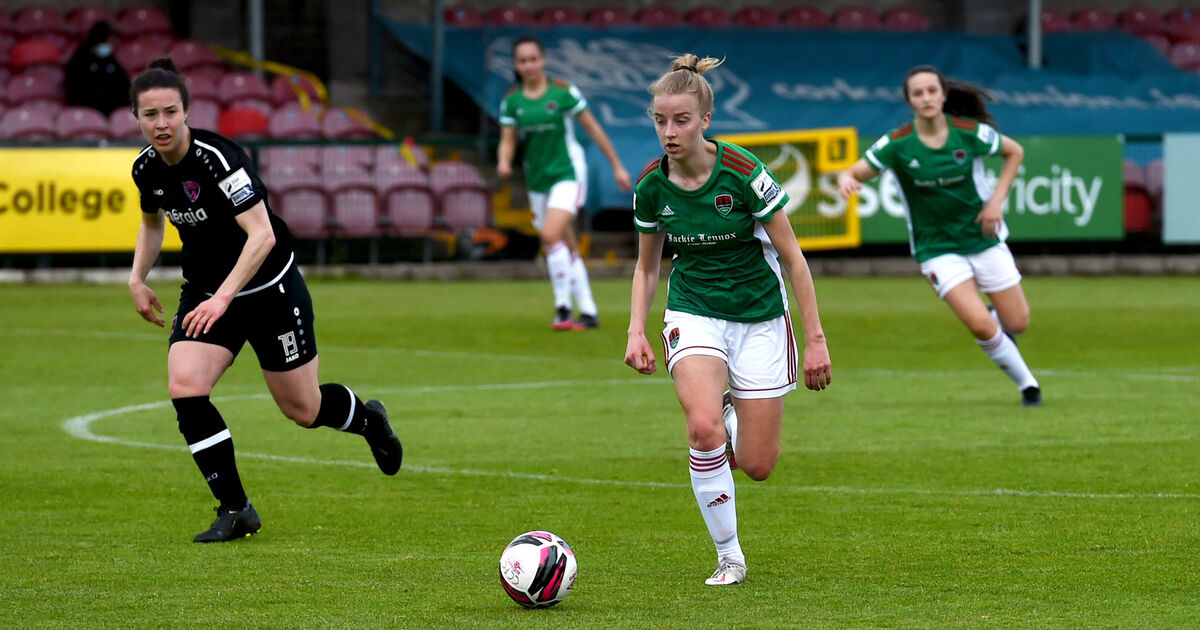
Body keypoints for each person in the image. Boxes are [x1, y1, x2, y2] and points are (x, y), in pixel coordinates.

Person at [126, 58, 404, 543]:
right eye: (151, 115)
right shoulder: (146, 168)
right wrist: (137, 278)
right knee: (185, 386)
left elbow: (262, 236)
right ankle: (236, 509)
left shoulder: (220, 158)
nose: (162, 123)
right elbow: (152, 224)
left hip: (270, 290)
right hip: (209, 292)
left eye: (170, 111)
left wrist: (224, 298)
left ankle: (368, 419)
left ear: (187, 112)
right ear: (137, 118)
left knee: (303, 409)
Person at [624, 54, 832, 586]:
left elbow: (793, 258)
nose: (668, 132)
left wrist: (815, 340)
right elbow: (648, 266)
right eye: (660, 121)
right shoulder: (652, 185)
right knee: (701, 429)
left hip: (761, 316)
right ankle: (729, 555)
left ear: (705, 121)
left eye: (681, 120)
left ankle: (728, 409)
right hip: (693, 311)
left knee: (758, 464)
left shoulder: (742, 173)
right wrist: (634, 330)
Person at [836, 65, 1041, 406]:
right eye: (918, 93)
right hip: (937, 248)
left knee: (1017, 322)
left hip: (983, 236)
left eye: (932, 91)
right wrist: (846, 178)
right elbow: (855, 170)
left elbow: (1014, 151)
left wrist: (996, 202)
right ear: (909, 100)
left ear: (943, 95)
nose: (926, 98)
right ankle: (1029, 387)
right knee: (979, 326)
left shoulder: (969, 132)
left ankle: (997, 321)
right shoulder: (897, 143)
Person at [496, 35, 632, 330]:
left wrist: (617, 166)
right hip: (538, 179)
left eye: (534, 59)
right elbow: (507, 140)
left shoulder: (562, 92)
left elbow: (593, 128)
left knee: (549, 235)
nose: (529, 65)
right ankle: (589, 310)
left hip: (568, 173)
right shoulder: (511, 101)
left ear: (543, 60)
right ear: (516, 65)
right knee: (564, 243)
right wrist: (504, 161)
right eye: (522, 60)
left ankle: (562, 308)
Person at [64, 22, 130, 115]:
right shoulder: (79, 59)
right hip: (87, 109)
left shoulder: (110, 59)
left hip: (113, 109)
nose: (112, 45)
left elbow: (124, 83)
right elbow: (74, 90)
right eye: (109, 41)